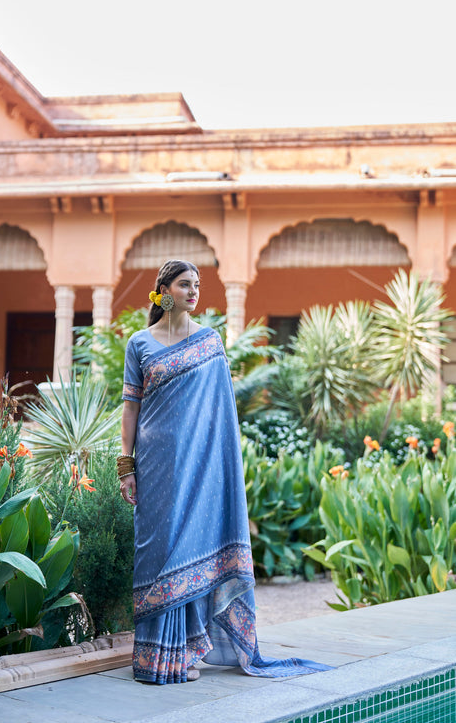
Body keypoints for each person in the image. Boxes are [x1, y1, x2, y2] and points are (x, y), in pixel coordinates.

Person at [119, 259, 330, 685]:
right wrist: (127, 465)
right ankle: (155, 656)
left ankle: (188, 651)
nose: (194, 291)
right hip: (156, 468)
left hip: (200, 469)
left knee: (194, 548)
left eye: (197, 284)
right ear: (163, 290)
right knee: (157, 554)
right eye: (184, 284)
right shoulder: (139, 344)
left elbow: (221, 415)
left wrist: (219, 471)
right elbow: (130, 409)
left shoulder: (210, 342)